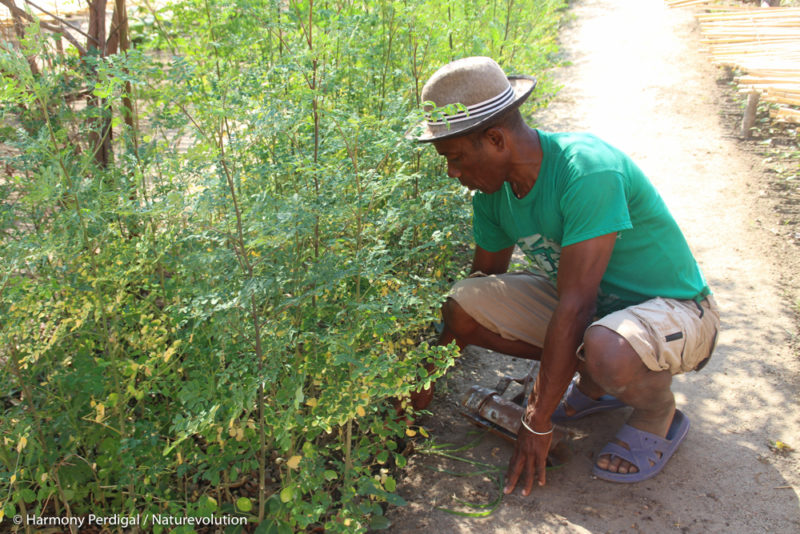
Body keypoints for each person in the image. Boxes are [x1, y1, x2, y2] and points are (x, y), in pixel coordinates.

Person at [408, 57, 720, 494]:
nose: (452, 173)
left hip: (679, 313)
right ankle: (597, 382)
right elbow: (481, 286)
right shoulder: (493, 194)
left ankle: (654, 411)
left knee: (605, 347)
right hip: (599, 320)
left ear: (496, 139)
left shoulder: (587, 169)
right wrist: (424, 377)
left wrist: (537, 421)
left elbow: (576, 306)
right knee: (464, 303)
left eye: (456, 157)